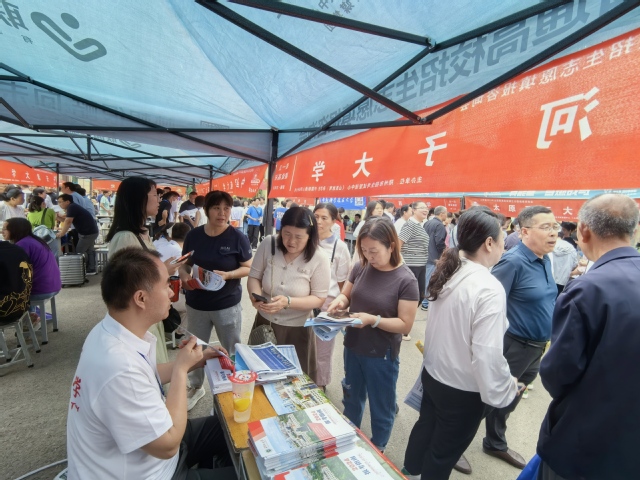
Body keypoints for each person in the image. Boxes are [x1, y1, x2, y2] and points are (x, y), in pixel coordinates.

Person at [66, 248, 235, 479]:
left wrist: (196, 361)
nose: (172, 292)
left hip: (154, 447)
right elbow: (168, 445)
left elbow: (145, 375)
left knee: (233, 424)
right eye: (166, 285)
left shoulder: (110, 331)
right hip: (154, 471)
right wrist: (181, 370)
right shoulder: (118, 366)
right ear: (141, 298)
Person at [402, 208, 520, 480]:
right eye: (502, 240)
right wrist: (507, 387)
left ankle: (408, 471)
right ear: (489, 243)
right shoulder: (488, 287)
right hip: (462, 390)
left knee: (425, 428)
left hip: (433, 373)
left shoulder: (450, 269)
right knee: (443, 453)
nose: (503, 247)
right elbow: (487, 355)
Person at [537, 194, 640, 480]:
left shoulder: (587, 289)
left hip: (583, 443)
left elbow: (558, 374)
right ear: (634, 230)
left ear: (583, 230)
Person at [474, 206, 558, 470]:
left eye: (555, 226)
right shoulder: (513, 262)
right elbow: (488, 303)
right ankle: (448, 446)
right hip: (514, 346)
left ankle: (494, 442)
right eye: (546, 227)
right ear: (524, 232)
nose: (554, 233)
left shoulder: (545, 259)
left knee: (510, 399)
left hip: (535, 349)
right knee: (483, 401)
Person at [327, 217, 419, 452]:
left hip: (381, 354)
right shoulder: (361, 266)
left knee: (382, 407)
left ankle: (378, 449)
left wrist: (373, 320)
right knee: (351, 398)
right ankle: (348, 441)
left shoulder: (406, 280)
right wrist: (340, 301)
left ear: (391, 246)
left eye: (374, 251)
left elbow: (405, 325)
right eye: (364, 250)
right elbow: (347, 294)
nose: (369, 256)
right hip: (353, 345)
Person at [179, 191, 252, 410]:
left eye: (226, 208)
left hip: (226, 304)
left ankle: (232, 387)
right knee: (195, 348)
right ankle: (196, 386)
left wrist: (229, 275)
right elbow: (184, 264)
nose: (222, 213)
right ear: (207, 210)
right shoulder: (194, 236)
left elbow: (248, 267)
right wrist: (184, 277)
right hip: (197, 304)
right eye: (216, 208)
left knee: (231, 348)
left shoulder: (237, 237)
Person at [106, 177, 187, 365]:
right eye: (154, 195)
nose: (159, 200)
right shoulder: (126, 238)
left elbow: (141, 272)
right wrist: (163, 271)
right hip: (136, 324)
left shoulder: (140, 234)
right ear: (139, 199)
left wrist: (163, 271)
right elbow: (124, 287)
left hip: (148, 319)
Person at [248, 207, 330, 379]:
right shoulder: (269, 244)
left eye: (299, 237)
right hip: (265, 324)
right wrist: (255, 296)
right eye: (286, 234)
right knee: (261, 374)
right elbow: (254, 277)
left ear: (310, 235)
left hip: (297, 330)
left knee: (294, 380)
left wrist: (288, 302)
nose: (291, 241)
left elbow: (319, 298)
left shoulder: (319, 257)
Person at [312, 203, 351, 389]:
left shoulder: (339, 247)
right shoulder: (304, 240)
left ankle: (320, 384)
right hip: (304, 302)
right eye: (316, 216)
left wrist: (341, 308)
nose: (319, 221)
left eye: (324, 218)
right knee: (302, 344)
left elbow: (344, 283)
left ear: (334, 221)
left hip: (327, 305)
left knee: (323, 349)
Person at [3, 218, 61, 331]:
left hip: (41, 289)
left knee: (9, 295)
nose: (2, 231)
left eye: (5, 229)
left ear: (15, 230)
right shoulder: (34, 240)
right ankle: (31, 317)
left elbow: (16, 272)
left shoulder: (22, 245)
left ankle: (28, 323)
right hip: (54, 285)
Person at [56, 194, 99, 275]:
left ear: (67, 201)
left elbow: (68, 221)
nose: (59, 204)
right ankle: (91, 269)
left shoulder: (72, 207)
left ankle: (83, 270)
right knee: (89, 250)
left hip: (87, 233)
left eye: (60, 202)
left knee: (79, 252)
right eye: (58, 202)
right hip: (90, 231)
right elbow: (66, 220)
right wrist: (57, 217)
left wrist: (62, 233)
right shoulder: (73, 207)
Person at [398, 202, 430, 311]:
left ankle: (406, 316)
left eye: (426, 208)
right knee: (411, 297)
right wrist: (400, 263)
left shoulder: (419, 225)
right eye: (422, 208)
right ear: (414, 210)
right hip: (411, 266)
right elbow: (398, 244)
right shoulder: (410, 225)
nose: (425, 210)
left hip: (420, 265)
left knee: (419, 296)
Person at [421, 206, 448, 311]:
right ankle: (425, 302)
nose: (447, 215)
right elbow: (439, 242)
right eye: (446, 213)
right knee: (430, 280)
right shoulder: (439, 225)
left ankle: (425, 301)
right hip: (434, 256)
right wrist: (443, 253)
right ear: (442, 214)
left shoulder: (428, 223)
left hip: (426, 254)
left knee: (427, 278)